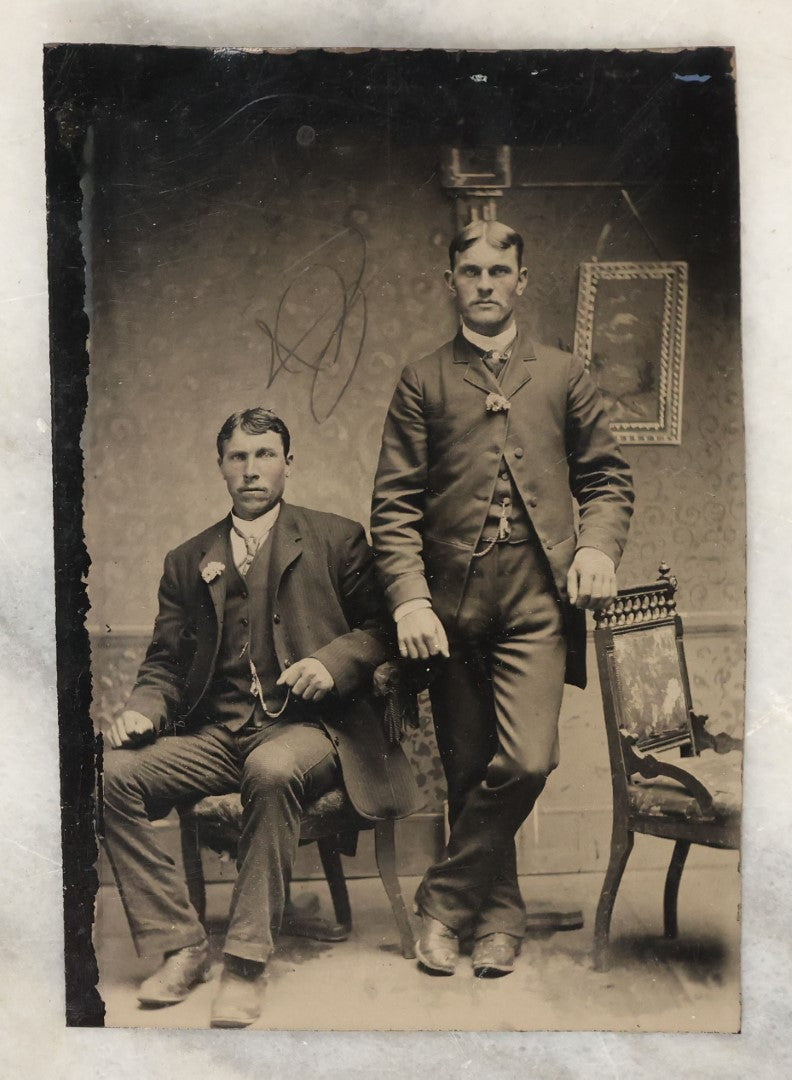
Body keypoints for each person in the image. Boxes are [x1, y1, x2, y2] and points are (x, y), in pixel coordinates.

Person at [371, 219, 634, 978]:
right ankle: (497, 925)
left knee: (524, 760)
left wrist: (594, 546)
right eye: (471, 271)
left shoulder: (563, 373)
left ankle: (442, 904)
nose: (485, 283)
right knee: (465, 771)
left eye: (499, 271)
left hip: (534, 601)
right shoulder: (423, 380)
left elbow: (608, 480)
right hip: (448, 612)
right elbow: (393, 508)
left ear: (522, 281)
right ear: (450, 281)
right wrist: (411, 600)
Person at [102, 407, 420, 1027]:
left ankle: (245, 965)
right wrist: (142, 711)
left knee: (272, 768)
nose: (252, 469)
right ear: (221, 468)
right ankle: (182, 942)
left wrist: (332, 662)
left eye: (265, 454)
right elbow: (164, 660)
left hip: (312, 730)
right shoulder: (186, 559)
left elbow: (384, 629)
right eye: (238, 457)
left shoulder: (338, 538)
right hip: (220, 731)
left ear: (288, 464)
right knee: (110, 774)